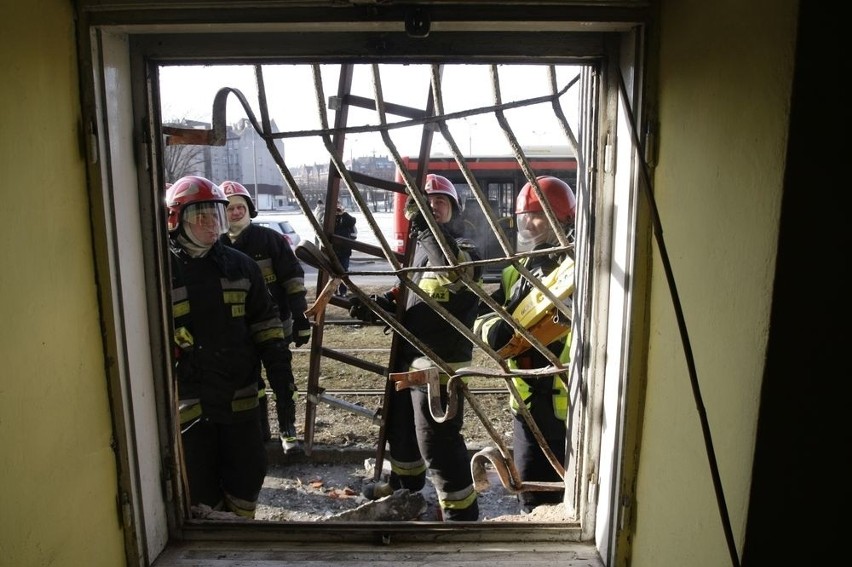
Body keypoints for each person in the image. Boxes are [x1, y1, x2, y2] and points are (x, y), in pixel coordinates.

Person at [348, 174, 481, 521]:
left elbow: (453, 273)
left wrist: (423, 225)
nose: (433, 207)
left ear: (453, 210)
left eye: (440, 202)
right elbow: (407, 301)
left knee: (436, 441)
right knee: (402, 429)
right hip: (409, 355)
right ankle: (404, 489)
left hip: (440, 362)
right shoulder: (419, 252)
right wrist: (377, 306)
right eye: (425, 202)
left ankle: (460, 513)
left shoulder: (465, 246)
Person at [165, 175, 294, 518]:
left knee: (249, 473)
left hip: (239, 398)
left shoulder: (241, 266)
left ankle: (238, 533)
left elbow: (267, 328)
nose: (211, 225)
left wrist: (283, 385)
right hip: (189, 404)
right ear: (175, 219)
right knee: (198, 485)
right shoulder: (160, 270)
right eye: (201, 216)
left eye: (216, 215)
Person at [473, 175, 575, 514]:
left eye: (537, 215)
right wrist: (496, 333)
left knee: (569, 496)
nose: (528, 223)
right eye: (525, 216)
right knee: (530, 495)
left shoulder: (580, 268)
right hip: (526, 404)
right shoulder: (515, 272)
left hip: (570, 409)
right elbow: (482, 315)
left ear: (561, 217)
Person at [219, 180, 311, 455]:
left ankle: (288, 432)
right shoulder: (218, 247)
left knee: (282, 379)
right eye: (230, 209)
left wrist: (300, 317)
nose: (236, 213)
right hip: (239, 332)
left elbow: (293, 278)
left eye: (240, 207)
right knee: (250, 385)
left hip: (275, 323)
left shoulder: (269, 239)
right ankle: (260, 435)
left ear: (249, 209)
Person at [331, 202, 357, 296]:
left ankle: (343, 291)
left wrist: (343, 214)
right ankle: (333, 291)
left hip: (345, 250)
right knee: (333, 271)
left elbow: (352, 221)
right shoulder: (330, 219)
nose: (337, 210)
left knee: (344, 271)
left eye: (339, 207)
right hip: (333, 250)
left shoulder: (346, 219)